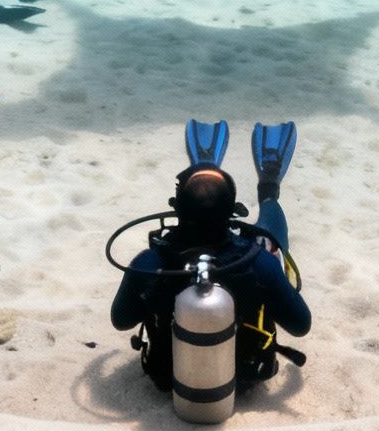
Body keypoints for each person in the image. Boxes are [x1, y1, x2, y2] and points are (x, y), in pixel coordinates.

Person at [110, 119, 309, 403]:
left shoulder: (150, 262)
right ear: (233, 212)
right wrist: (271, 270)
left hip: (169, 380)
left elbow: (121, 320)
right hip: (242, 380)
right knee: (268, 235)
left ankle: (208, 167)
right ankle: (268, 190)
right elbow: (301, 325)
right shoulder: (257, 262)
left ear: (177, 207)